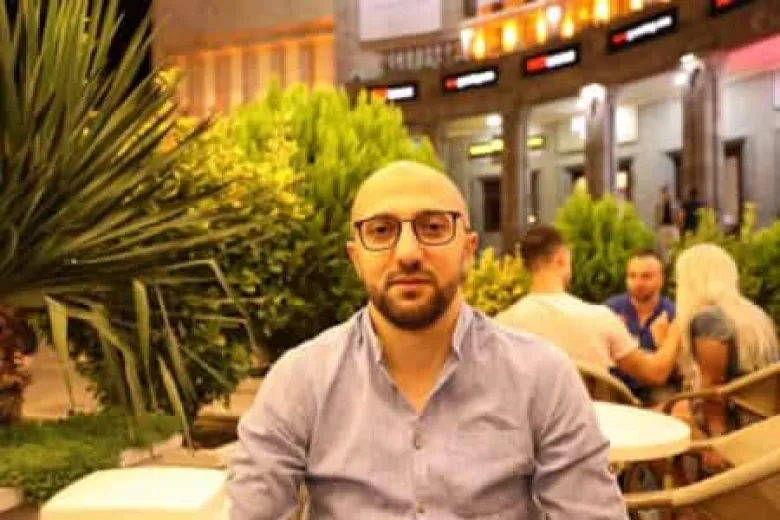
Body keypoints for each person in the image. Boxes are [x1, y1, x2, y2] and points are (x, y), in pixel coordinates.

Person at [228, 162, 628, 519]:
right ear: (356, 258)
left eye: (433, 227)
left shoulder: (541, 376)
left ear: (468, 250)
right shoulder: (300, 381)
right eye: (381, 231)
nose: (407, 253)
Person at [496, 225, 681, 389]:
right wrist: (675, 330)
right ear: (561, 259)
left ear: (526, 266)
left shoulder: (502, 325)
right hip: (597, 415)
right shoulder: (599, 318)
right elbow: (655, 374)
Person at [605, 249, 678, 403]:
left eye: (646, 276)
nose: (638, 283)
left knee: (667, 398)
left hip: (654, 387)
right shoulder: (610, 310)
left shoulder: (672, 315)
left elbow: (678, 371)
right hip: (614, 383)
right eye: (632, 276)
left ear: (661, 279)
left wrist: (663, 343)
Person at [654, 186, 680, 262]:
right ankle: (665, 262)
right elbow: (656, 217)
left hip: (673, 227)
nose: (666, 195)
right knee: (663, 247)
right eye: (664, 193)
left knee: (674, 245)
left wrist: (678, 225)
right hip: (663, 227)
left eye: (668, 193)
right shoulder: (659, 205)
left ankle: (672, 261)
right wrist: (658, 226)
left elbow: (678, 215)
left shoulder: (675, 204)